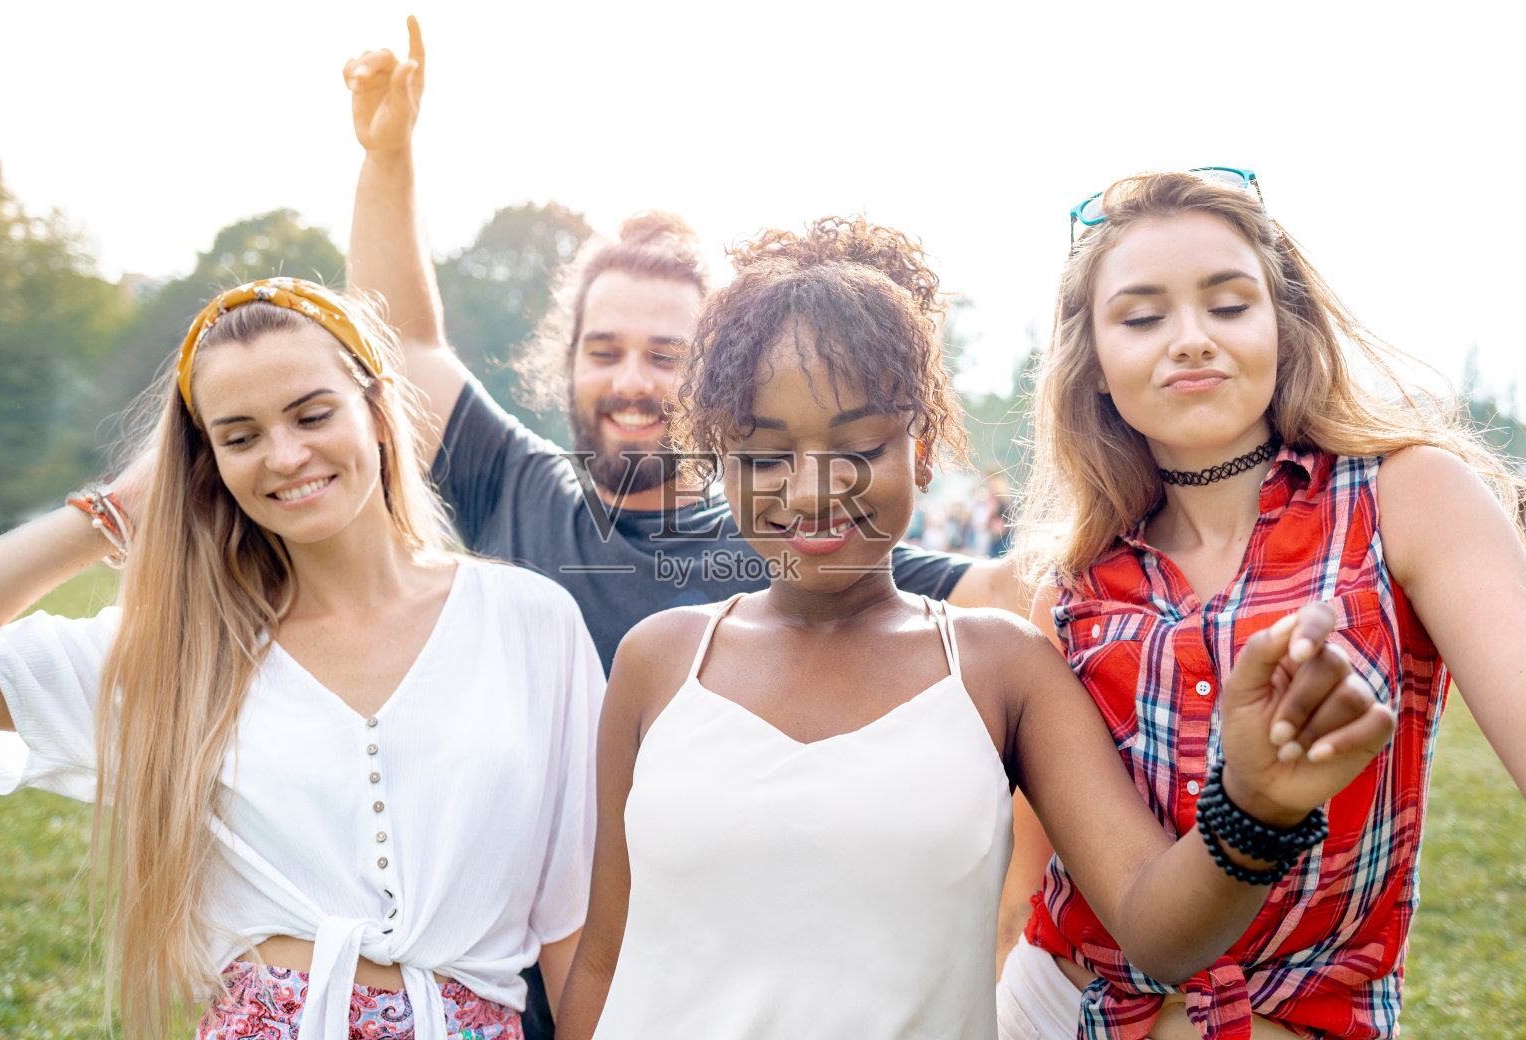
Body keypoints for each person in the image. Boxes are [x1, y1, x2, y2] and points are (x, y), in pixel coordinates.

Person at [550, 217, 1396, 1040]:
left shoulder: (1001, 668)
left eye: (860, 446)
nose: (810, 491)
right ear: (717, 460)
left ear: (922, 450)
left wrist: (1253, 805)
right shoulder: (658, 663)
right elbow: (604, 960)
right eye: (766, 457)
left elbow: (1154, 926)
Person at [0, 278, 602, 1039]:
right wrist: (112, 511)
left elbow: (575, 925)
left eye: (313, 415)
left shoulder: (529, 622)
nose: (285, 456)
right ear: (206, 462)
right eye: (240, 436)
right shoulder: (179, 653)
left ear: (378, 412)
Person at [999, 169, 1526, 1039]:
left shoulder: (1408, 497)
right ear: (1092, 363)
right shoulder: (1066, 586)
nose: (1191, 339)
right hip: (1057, 1009)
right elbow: (1042, 870)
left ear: (1284, 325)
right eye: (1141, 317)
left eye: (1229, 304)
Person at [341, 17, 1022, 679]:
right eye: (604, 351)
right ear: (568, 359)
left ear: (721, 383)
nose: (632, 382)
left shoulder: (784, 529)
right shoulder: (515, 489)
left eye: (667, 356)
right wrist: (386, 156)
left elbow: (1005, 595)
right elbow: (395, 342)